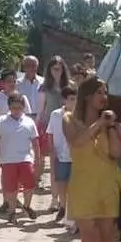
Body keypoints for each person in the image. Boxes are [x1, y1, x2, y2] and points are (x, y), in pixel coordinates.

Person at [63, 77, 121, 242]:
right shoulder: (69, 119)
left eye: (105, 92)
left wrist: (113, 127)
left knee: (108, 237)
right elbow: (78, 142)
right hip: (83, 185)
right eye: (99, 92)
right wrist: (99, 124)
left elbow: (116, 152)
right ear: (87, 95)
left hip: (107, 184)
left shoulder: (109, 123)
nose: (104, 97)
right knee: (89, 238)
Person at [0, 92, 40, 223]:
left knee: (30, 183)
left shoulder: (29, 122)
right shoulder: (1, 121)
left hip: (25, 158)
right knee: (11, 187)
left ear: (23, 108)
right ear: (9, 107)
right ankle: (12, 211)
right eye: (13, 108)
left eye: (19, 108)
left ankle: (27, 206)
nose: (16, 110)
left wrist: (37, 158)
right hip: (8, 159)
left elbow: (35, 141)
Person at [0, 71, 33, 213]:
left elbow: (29, 118)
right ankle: (6, 199)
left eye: (14, 81)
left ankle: (14, 198)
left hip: (20, 139)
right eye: (9, 81)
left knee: (20, 169)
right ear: (2, 83)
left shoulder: (22, 98)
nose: (12, 84)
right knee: (7, 170)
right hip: (4, 138)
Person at [38, 55, 71, 193]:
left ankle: (65, 192)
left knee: (67, 160)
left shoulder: (69, 86)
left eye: (59, 68)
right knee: (52, 160)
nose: (57, 72)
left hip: (68, 124)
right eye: (54, 69)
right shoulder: (45, 87)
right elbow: (41, 109)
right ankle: (53, 194)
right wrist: (38, 126)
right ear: (49, 70)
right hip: (50, 125)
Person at [46, 86, 76, 224]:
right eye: (71, 99)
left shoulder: (80, 115)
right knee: (61, 183)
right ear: (64, 100)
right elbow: (50, 133)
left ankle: (71, 213)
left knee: (74, 185)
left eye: (76, 99)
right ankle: (63, 207)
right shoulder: (56, 114)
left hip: (76, 156)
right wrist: (51, 149)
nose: (74, 102)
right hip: (60, 154)